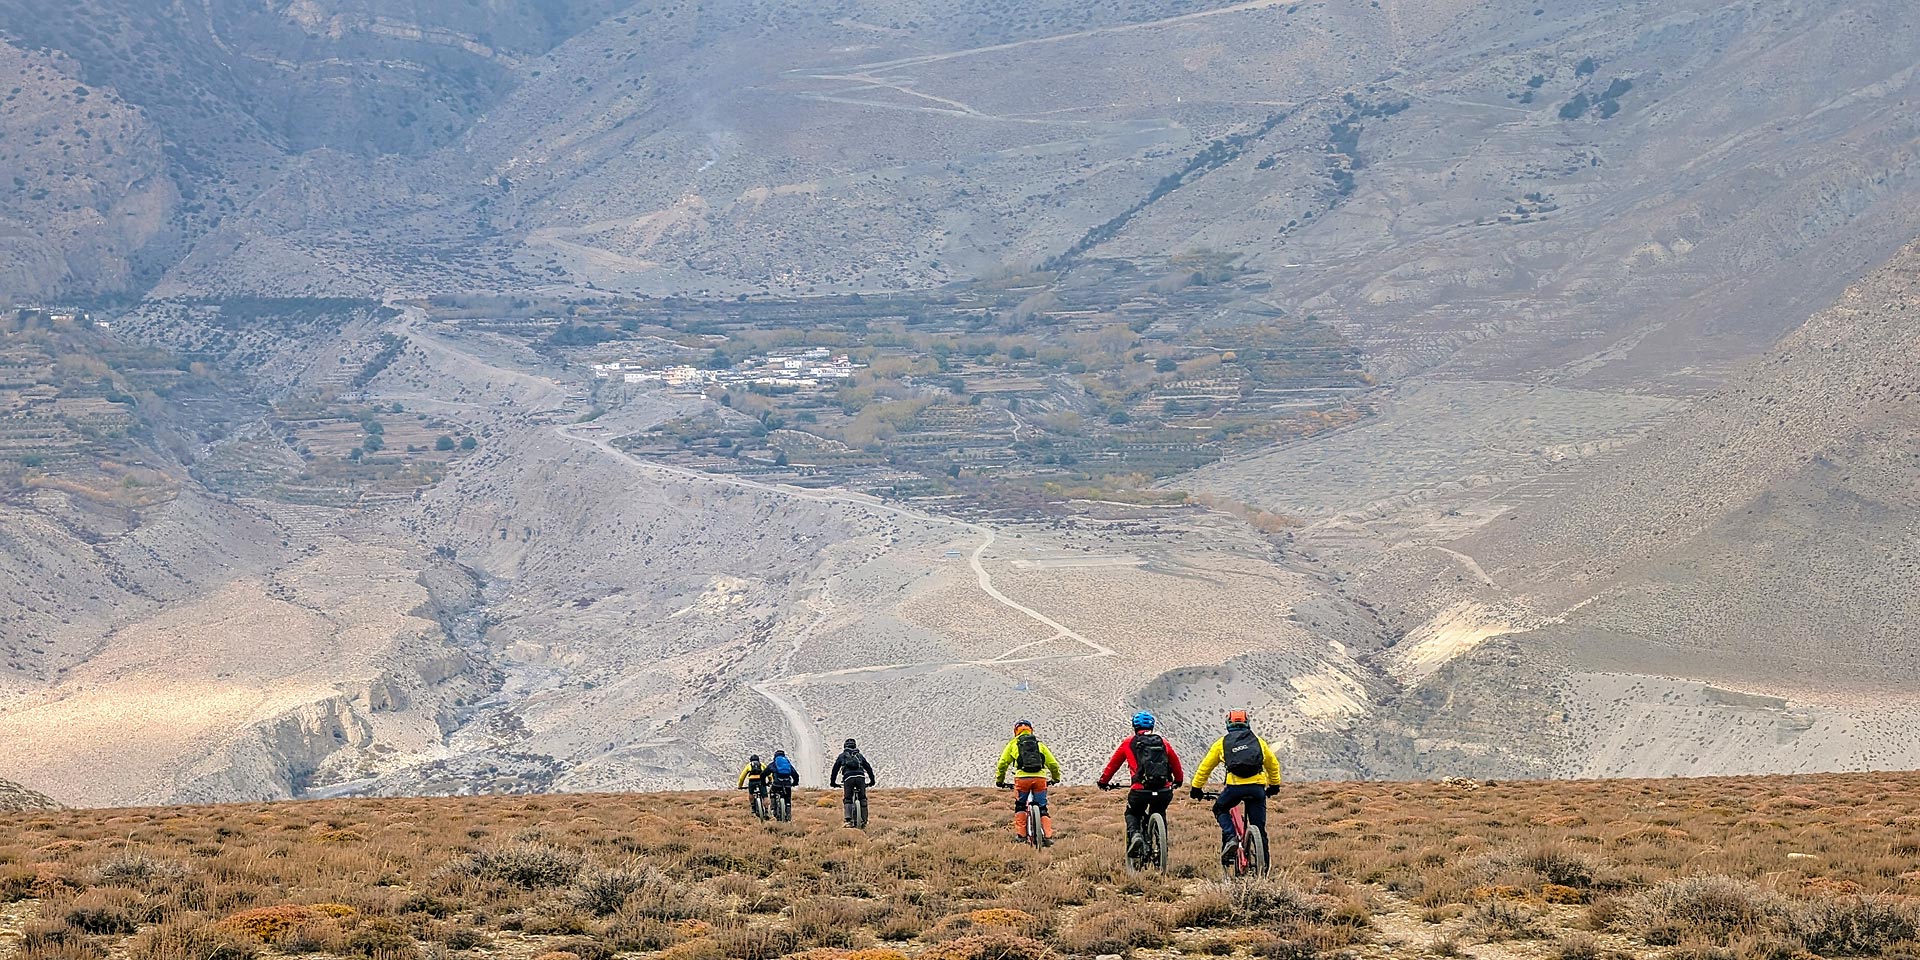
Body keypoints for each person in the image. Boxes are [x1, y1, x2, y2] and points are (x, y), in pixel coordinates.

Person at [1188, 709, 1282, 865]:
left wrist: (1196, 788)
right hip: (1257, 788)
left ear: (1228, 725)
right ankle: (1263, 867)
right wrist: (1274, 785)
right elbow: (1272, 764)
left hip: (1235, 788)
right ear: (1247, 723)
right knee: (1259, 828)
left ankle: (1231, 837)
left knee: (1220, 808)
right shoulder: (1258, 741)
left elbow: (1205, 767)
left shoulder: (1222, 743)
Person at [1096, 711, 1184, 860]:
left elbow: (1113, 765)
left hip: (1140, 790)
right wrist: (1178, 780)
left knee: (1132, 813)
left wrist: (1103, 781)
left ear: (1134, 727)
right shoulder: (1163, 742)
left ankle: (1136, 834)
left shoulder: (1128, 743)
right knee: (1159, 811)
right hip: (1163, 790)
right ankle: (1161, 848)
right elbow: (1176, 763)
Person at [994, 720, 1062, 845]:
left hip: (1022, 780)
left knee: (1020, 806)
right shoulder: (1039, 744)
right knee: (1042, 808)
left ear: (1015, 731)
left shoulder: (1013, 744)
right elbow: (1053, 764)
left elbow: (1002, 764)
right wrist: (1055, 778)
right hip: (1040, 779)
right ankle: (1047, 837)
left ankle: (1021, 836)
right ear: (1031, 730)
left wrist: (1000, 781)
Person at [829, 738, 877, 826]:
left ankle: (848, 820)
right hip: (860, 777)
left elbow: (835, 770)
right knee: (862, 798)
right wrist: (872, 781)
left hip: (848, 778)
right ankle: (864, 820)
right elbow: (868, 768)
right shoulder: (859, 755)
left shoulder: (842, 756)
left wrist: (833, 782)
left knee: (848, 798)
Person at [766, 749, 799, 819]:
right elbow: (795, 774)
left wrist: (763, 782)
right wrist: (795, 783)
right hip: (787, 784)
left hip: (777, 783)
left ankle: (773, 808)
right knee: (788, 798)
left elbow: (764, 773)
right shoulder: (788, 764)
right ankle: (788, 814)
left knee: (772, 792)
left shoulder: (774, 763)